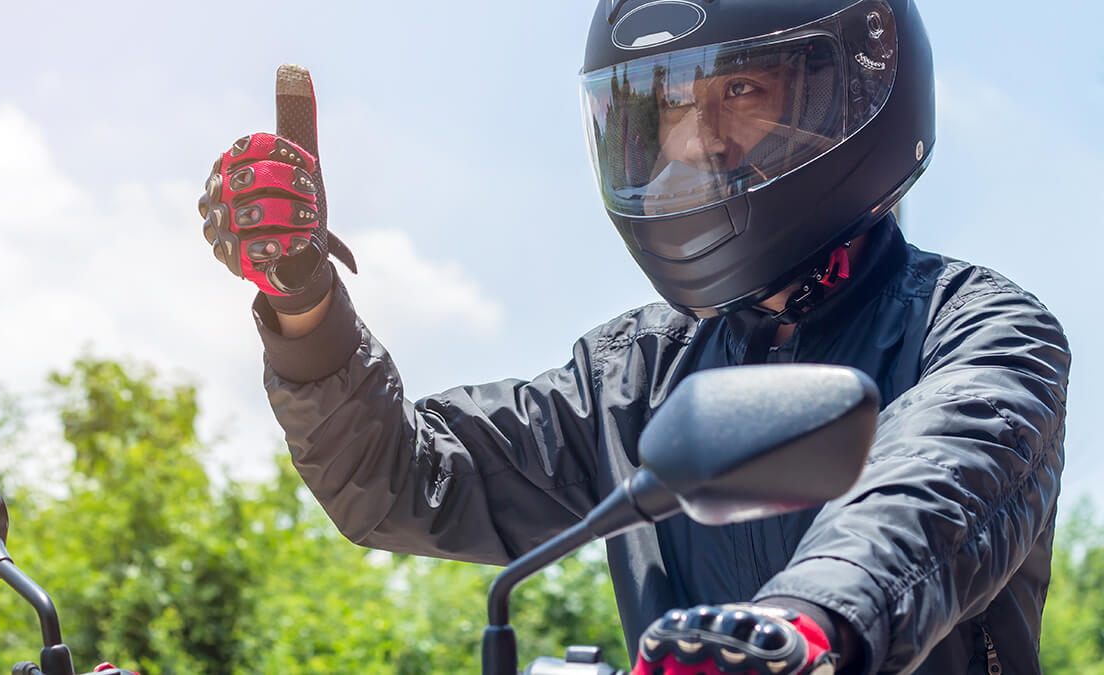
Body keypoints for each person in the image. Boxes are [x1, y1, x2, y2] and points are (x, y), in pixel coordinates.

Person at [197, 0, 1071, 672]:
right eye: (666, 109)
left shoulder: (978, 329)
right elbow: (399, 481)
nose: (696, 141)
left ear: (855, 82)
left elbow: (936, 489)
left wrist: (804, 625)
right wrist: (303, 295)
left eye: (740, 90)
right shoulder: (632, 376)